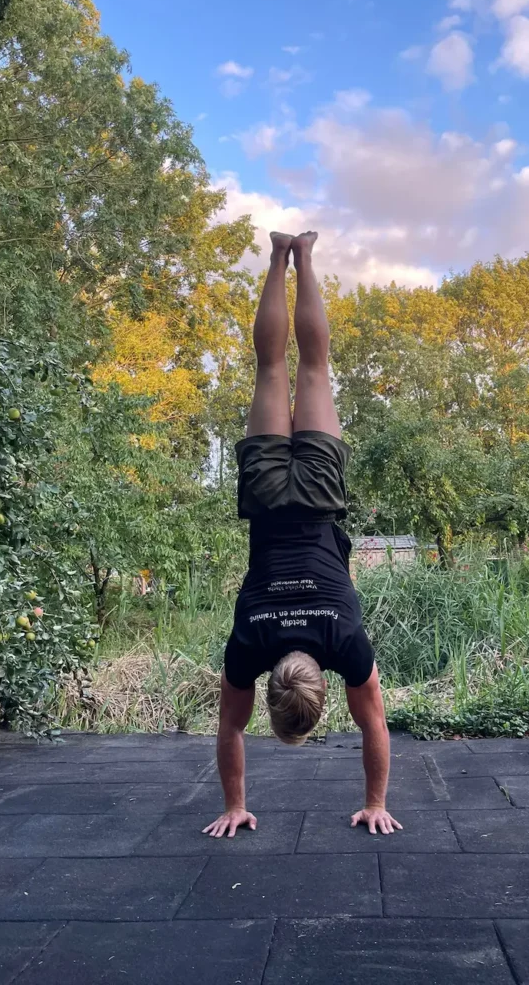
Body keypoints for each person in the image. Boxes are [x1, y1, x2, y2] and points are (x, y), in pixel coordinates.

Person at [203, 231, 402, 840]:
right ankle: (278, 255)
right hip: (266, 501)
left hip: (317, 501)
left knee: (312, 368)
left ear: (323, 688)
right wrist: (233, 804)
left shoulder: (345, 645)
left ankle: (305, 255)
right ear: (272, 689)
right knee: (272, 366)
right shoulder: (249, 647)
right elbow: (229, 730)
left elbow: (374, 726)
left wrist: (376, 801)